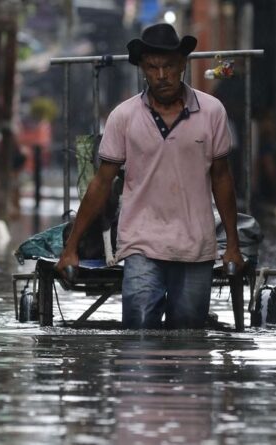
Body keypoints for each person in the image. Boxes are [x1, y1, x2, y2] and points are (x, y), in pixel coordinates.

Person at [55, 23, 243, 329]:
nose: (162, 75)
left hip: (195, 245)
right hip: (141, 243)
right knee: (139, 334)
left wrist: (232, 245)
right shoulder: (124, 116)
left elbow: (222, 178)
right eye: (153, 67)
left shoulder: (212, 112)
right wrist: (71, 247)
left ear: (182, 65)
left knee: (188, 336)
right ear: (143, 68)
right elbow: (102, 182)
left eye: (169, 67)